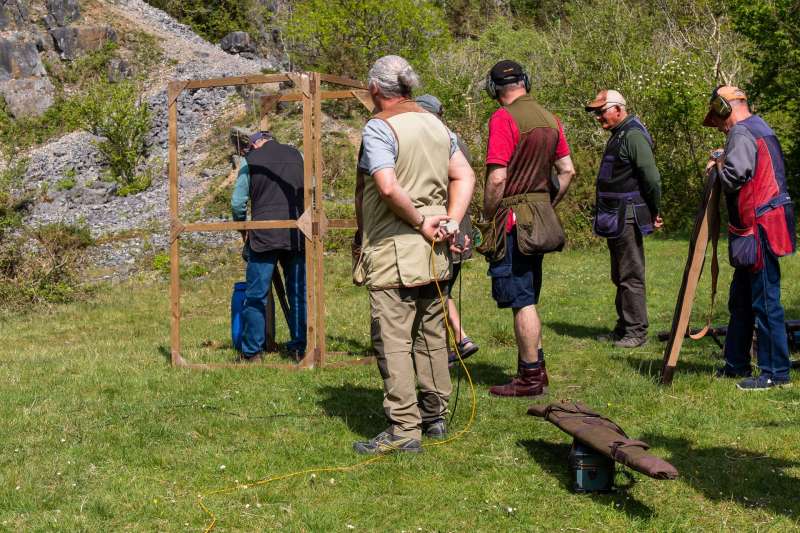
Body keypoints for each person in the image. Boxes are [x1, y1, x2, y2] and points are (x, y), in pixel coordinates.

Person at [352, 56, 474, 454]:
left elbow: (386, 187)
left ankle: (405, 428)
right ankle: (434, 415)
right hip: (435, 251)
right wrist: (450, 221)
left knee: (393, 341)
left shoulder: (379, 127)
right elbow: (465, 174)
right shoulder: (437, 124)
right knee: (432, 334)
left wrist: (421, 220)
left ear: (375, 90)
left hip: (394, 250)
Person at [482, 60, 575, 397]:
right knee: (529, 295)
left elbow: (497, 177)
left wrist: (486, 215)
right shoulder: (551, 118)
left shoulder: (504, 118)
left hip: (512, 222)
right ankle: (538, 367)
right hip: (540, 218)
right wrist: (546, 202)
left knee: (521, 299)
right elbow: (567, 171)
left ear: (494, 89)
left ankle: (530, 377)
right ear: (526, 81)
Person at [701, 85, 796, 390]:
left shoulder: (741, 132)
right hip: (756, 227)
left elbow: (733, 177)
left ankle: (775, 373)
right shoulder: (758, 127)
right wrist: (722, 155)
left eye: (718, 117)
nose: (720, 125)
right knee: (740, 300)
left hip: (759, 228)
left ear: (725, 108)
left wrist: (717, 164)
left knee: (766, 302)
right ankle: (735, 363)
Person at [585, 90, 663, 348]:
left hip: (626, 215)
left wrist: (655, 210)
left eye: (601, 111)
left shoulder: (633, 135)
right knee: (620, 274)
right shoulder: (620, 134)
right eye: (596, 113)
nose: (598, 117)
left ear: (618, 109)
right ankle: (623, 327)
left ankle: (636, 332)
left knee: (630, 275)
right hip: (615, 215)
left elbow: (651, 177)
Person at [414, 93, 480, 366]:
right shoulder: (457, 140)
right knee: (443, 291)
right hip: (459, 226)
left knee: (435, 294)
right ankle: (458, 342)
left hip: (444, 227)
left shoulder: (433, 141)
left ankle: (447, 350)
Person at [231, 131, 307, 361]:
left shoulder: (249, 161)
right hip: (296, 233)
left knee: (256, 295)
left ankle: (252, 352)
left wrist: (243, 230)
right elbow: (311, 190)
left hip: (263, 236)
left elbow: (237, 203)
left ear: (256, 143)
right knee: (298, 293)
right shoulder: (299, 156)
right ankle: (299, 348)